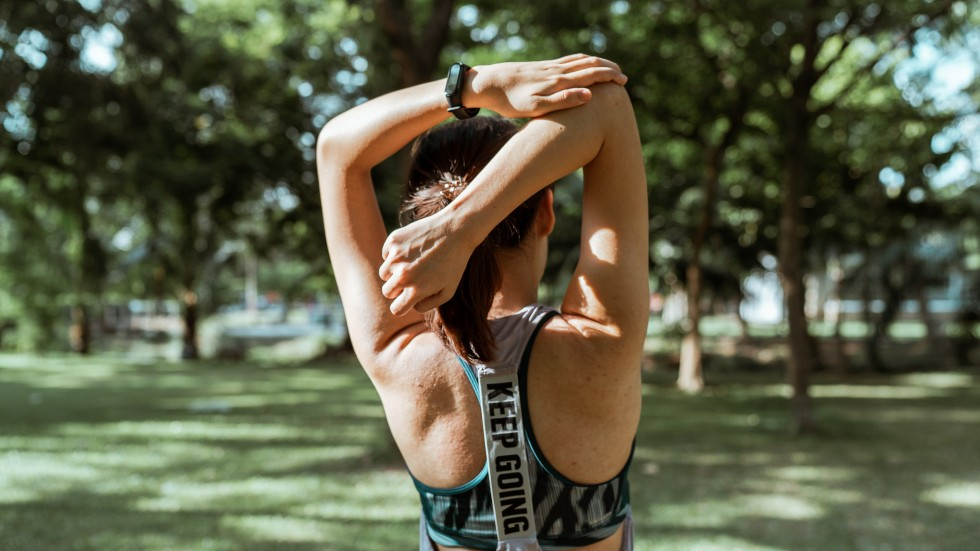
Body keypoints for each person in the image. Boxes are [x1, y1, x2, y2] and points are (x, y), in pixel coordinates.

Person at [316, 54, 648, 551]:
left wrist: (474, 86)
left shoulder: (396, 351)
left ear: (418, 216)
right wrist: (461, 229)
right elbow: (606, 102)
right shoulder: (603, 339)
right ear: (547, 213)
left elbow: (336, 148)